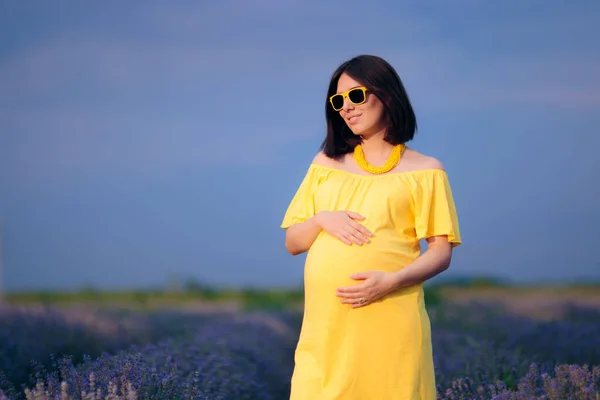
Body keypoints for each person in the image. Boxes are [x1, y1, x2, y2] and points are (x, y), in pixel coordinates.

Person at [280, 54, 462, 399]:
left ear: (387, 96)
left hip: (391, 309)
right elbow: (293, 242)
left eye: (356, 96)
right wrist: (321, 219)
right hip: (327, 323)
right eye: (338, 101)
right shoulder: (325, 165)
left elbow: (440, 252)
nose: (346, 107)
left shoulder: (426, 171)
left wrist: (390, 282)